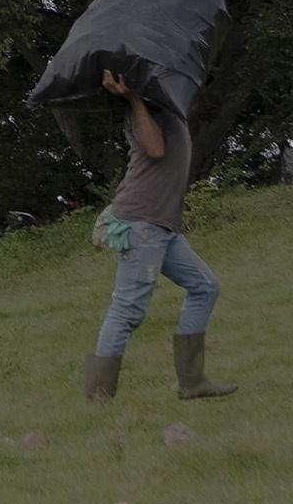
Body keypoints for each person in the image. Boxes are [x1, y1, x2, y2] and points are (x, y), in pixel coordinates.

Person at [84, 69, 235, 403]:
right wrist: (133, 98)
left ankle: (192, 383)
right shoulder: (144, 108)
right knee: (126, 311)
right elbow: (154, 149)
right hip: (141, 224)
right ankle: (97, 399)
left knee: (205, 287)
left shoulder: (165, 106)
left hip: (162, 227)